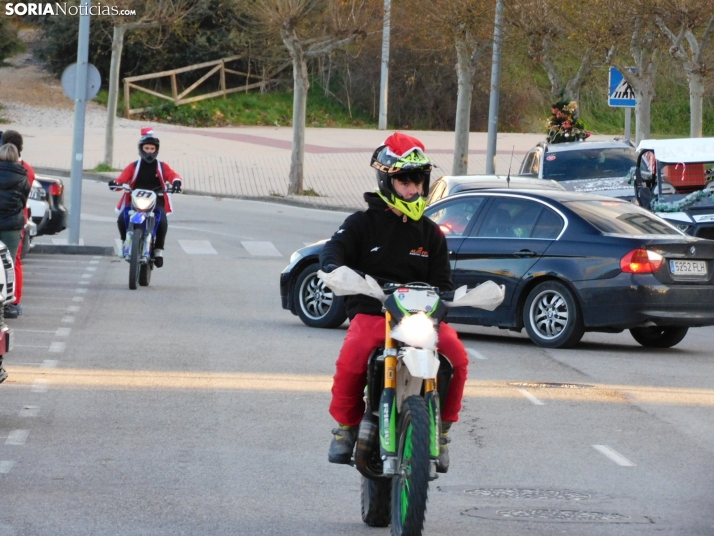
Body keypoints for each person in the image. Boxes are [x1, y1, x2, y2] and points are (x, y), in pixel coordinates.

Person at [319, 132, 469, 473]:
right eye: (404, 181)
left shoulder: (431, 233)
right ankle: (345, 428)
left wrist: (447, 299)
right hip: (374, 314)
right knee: (353, 355)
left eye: (417, 180)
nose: (412, 188)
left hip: (419, 319)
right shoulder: (361, 223)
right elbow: (333, 251)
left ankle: (442, 432)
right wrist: (332, 266)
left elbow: (444, 282)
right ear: (387, 181)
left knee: (457, 357)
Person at [108, 127, 182, 267]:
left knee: (162, 221)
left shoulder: (161, 166)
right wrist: (116, 183)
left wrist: (176, 182)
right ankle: (125, 242)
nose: (149, 151)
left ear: (156, 150)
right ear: (141, 149)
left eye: (152, 148)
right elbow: (122, 179)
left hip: (156, 200)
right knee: (122, 218)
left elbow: (172, 175)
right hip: (136, 201)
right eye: (146, 148)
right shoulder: (134, 166)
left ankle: (159, 251)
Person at [0, 130, 34, 319]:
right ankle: (11, 303)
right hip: (13, 225)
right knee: (11, 263)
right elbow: (23, 201)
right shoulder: (25, 172)